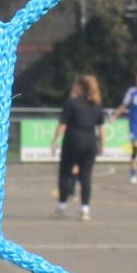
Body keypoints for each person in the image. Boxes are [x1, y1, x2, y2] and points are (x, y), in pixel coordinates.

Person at [50, 75, 105, 220]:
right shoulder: (97, 104)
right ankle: (85, 209)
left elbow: (63, 124)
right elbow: (101, 128)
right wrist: (102, 145)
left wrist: (55, 141)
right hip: (90, 142)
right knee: (86, 176)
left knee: (65, 173)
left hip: (73, 140)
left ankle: (62, 206)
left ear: (80, 87)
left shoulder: (72, 103)